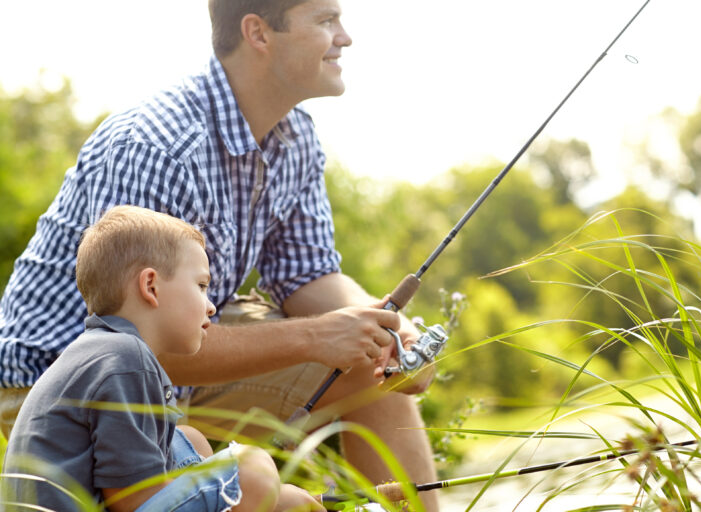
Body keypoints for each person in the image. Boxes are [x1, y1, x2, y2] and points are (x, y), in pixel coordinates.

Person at [0, 0, 439, 509]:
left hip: (169, 365)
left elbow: (308, 275)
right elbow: (138, 337)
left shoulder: (296, 139)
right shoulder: (159, 145)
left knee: (373, 364)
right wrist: (319, 336)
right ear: (258, 33)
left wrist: (386, 326)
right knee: (259, 489)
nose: (345, 36)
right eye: (325, 20)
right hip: (71, 386)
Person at [2, 205, 323, 511]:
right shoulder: (126, 359)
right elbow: (131, 500)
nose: (210, 306)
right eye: (201, 286)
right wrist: (268, 496)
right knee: (253, 472)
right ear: (151, 286)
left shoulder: (103, 350)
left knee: (190, 441)